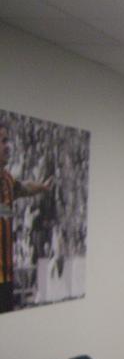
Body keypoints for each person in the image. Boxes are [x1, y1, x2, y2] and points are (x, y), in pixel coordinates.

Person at [0, 123, 54, 313]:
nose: (7, 146)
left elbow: (24, 187)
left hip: (6, 276)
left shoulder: (7, 179)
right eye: (3, 141)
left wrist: (42, 187)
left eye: (7, 140)